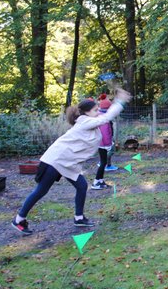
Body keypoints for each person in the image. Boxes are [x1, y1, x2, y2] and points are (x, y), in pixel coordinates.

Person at [11, 88, 131, 236]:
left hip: (68, 163)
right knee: (41, 190)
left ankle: (79, 218)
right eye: (95, 110)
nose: (98, 111)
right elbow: (105, 118)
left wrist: (114, 106)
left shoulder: (89, 121)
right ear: (86, 113)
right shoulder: (84, 121)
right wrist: (120, 101)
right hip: (56, 160)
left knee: (81, 186)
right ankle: (19, 219)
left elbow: (104, 117)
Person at [92, 96, 116, 190]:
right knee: (103, 163)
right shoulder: (104, 118)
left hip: (100, 143)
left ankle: (100, 181)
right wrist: (108, 145)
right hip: (103, 144)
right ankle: (96, 182)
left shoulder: (99, 116)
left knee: (104, 162)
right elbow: (105, 132)